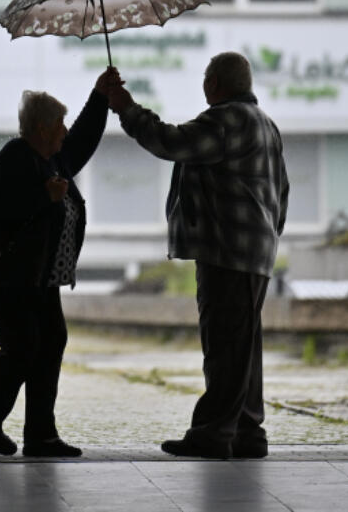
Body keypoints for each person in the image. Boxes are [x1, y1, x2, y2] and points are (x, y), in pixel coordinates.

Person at [106, 52, 288, 459]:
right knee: (243, 347)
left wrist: (126, 108)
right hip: (256, 251)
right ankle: (246, 431)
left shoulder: (227, 120)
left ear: (216, 84)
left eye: (207, 78)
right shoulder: (267, 125)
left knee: (224, 344)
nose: (204, 86)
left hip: (227, 249)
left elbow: (172, 142)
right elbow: (284, 194)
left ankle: (212, 433)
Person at [0, 67, 121, 458]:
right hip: (7, 276)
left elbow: (82, 140)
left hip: (39, 277)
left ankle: (41, 435)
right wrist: (41, 198)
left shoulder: (54, 160)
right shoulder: (17, 157)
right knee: (23, 344)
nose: (65, 130)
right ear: (42, 128)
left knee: (49, 343)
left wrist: (100, 96)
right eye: (59, 123)